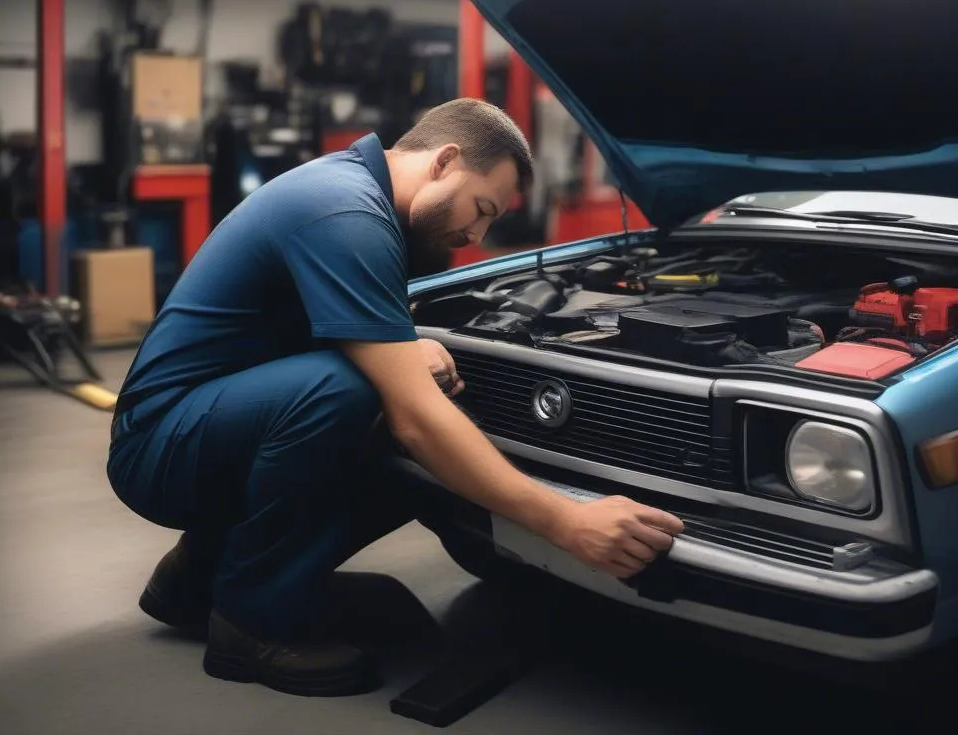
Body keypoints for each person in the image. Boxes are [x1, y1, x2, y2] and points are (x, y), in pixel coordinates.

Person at [106, 97, 684, 698]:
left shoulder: (353, 191)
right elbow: (415, 422)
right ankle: (252, 622)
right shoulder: (344, 211)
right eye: (480, 209)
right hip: (158, 451)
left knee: (385, 397)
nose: (473, 236)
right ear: (444, 161)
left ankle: (196, 576)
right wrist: (566, 522)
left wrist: (408, 343)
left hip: (203, 424)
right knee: (358, 398)